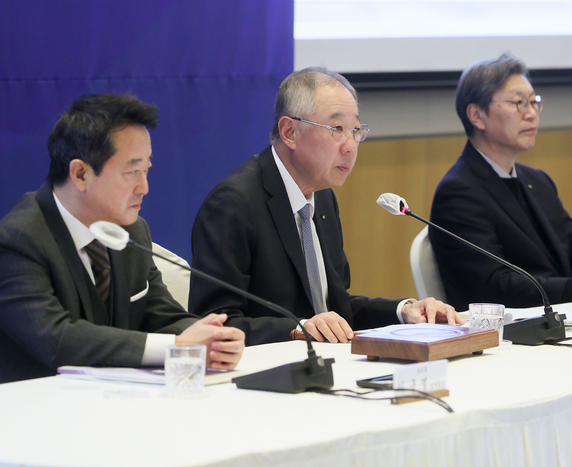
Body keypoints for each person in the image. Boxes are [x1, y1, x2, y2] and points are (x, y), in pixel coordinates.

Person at [0, 94, 244, 388]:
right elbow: (57, 340)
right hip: (10, 411)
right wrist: (176, 346)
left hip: (99, 402)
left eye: (147, 170)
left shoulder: (131, 233)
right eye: (132, 172)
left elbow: (160, 315)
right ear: (81, 174)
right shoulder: (16, 242)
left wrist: (212, 340)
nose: (144, 187)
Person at [189, 67, 461, 346]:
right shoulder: (233, 204)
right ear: (289, 132)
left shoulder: (322, 198)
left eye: (356, 130)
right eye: (337, 129)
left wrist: (404, 311)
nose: (350, 146)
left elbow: (335, 310)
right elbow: (215, 324)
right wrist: (299, 328)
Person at [430, 52, 572, 311]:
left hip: (565, 320)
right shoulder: (459, 192)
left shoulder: (537, 181)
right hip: (509, 337)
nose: (531, 113)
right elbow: (494, 286)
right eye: (518, 103)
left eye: (534, 102)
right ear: (476, 115)